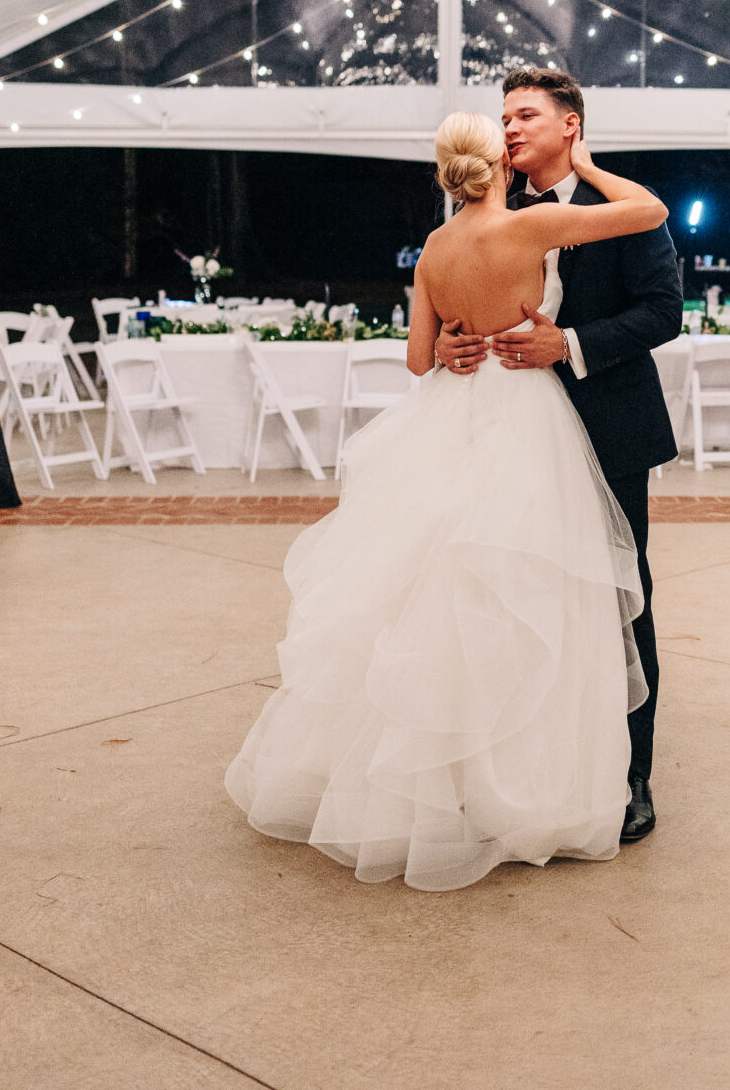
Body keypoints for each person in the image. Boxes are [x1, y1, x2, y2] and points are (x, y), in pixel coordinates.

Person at [225, 110, 668, 891]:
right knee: (527, 587)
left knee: (434, 588)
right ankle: (522, 772)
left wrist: (458, 348)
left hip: (452, 416)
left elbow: (420, 356)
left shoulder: (435, 246)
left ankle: (445, 782)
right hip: (527, 413)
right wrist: (590, 164)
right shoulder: (530, 227)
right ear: (500, 161)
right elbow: (650, 212)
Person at [436, 69, 683, 844]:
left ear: (570, 125)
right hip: (509, 435)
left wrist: (566, 344)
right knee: (511, 594)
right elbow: (447, 305)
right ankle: (527, 762)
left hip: (607, 425)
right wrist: (448, 342)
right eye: (503, 117)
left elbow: (663, 312)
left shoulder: (623, 207)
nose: (509, 127)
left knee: (617, 597)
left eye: (526, 115)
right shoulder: (482, 209)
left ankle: (629, 776)